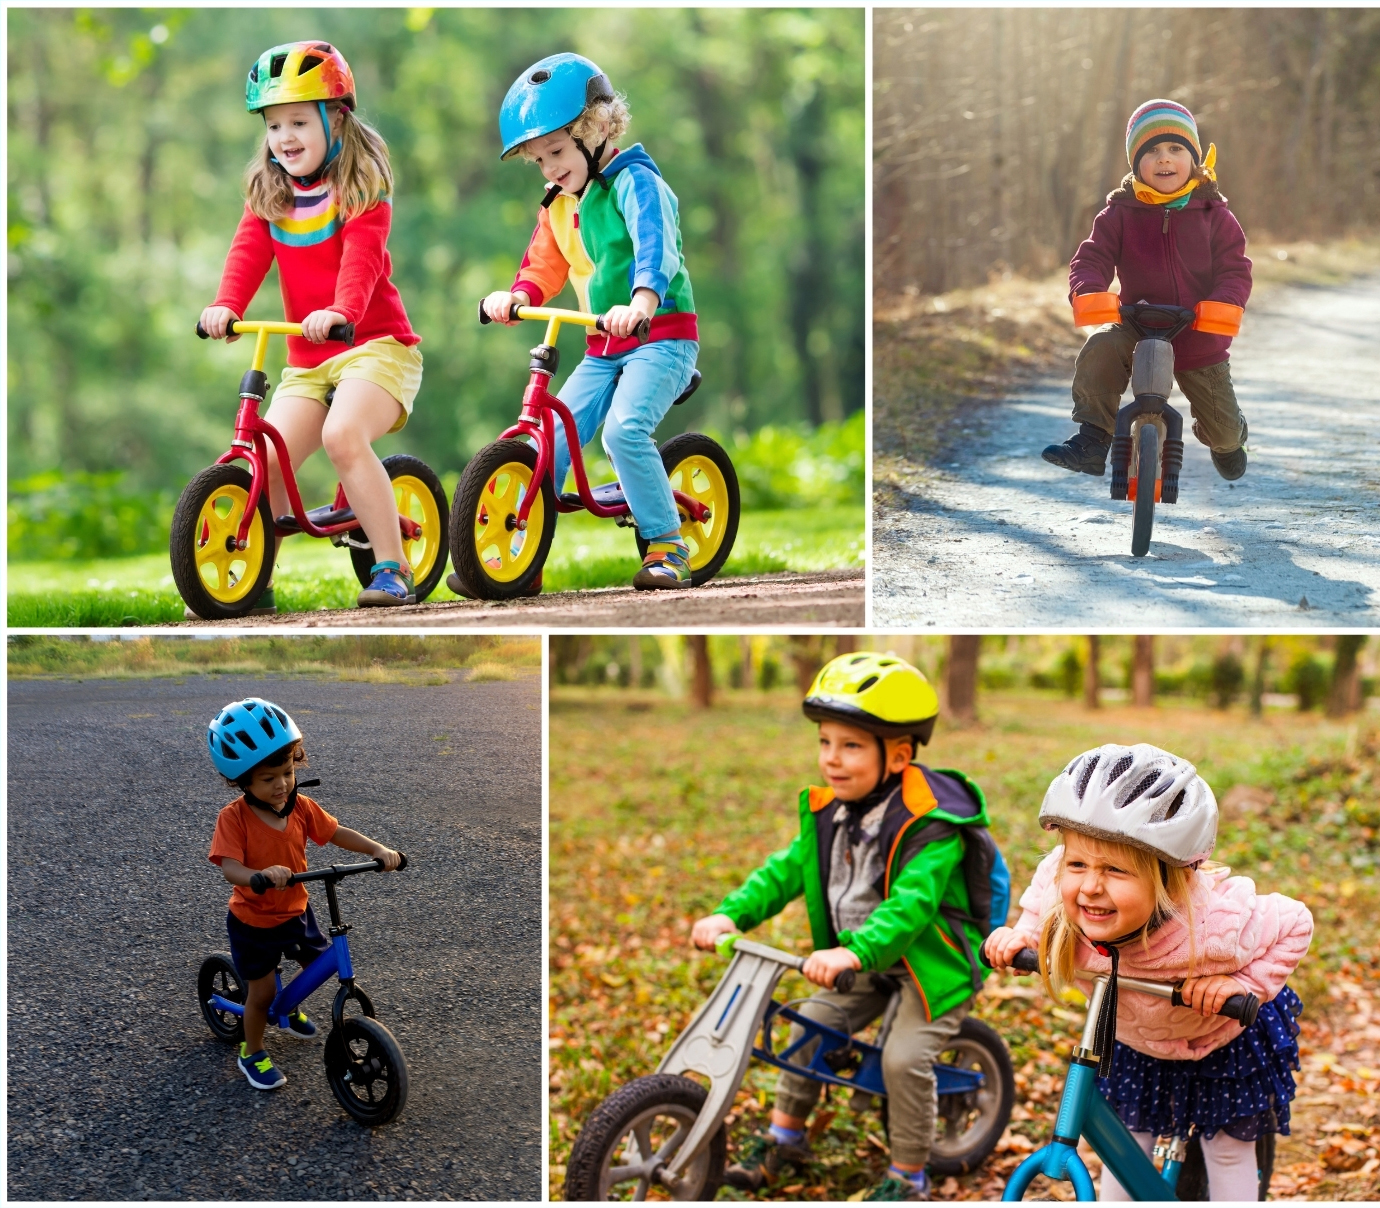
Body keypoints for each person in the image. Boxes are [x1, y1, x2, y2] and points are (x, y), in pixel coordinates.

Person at [691, 652, 1011, 1201]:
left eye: (851, 745)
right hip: (865, 962)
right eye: (825, 742)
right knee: (807, 1026)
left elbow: (909, 908)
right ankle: (785, 1139)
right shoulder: (832, 814)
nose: (832, 760)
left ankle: (908, 1176)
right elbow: (784, 872)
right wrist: (731, 913)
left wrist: (853, 952)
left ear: (898, 756)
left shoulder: (932, 827)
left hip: (931, 966)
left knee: (903, 1059)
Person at [982, 743, 1313, 1201]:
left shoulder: (1215, 926)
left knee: (1228, 1151)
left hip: (1219, 1039)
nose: (1091, 886)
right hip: (1137, 1041)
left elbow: (1296, 922)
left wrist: (1239, 985)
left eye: (1116, 870)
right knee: (1124, 1142)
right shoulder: (1061, 883)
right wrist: (1025, 933)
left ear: (1168, 880)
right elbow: (1046, 892)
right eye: (1078, 863)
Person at [199, 41, 423, 610]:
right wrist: (227, 306)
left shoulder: (360, 191)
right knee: (265, 459)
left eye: (299, 121)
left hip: (376, 347)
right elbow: (247, 254)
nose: (285, 137)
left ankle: (393, 568)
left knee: (342, 436)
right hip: (308, 358)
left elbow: (362, 260)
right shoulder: (269, 194)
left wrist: (342, 313)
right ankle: (254, 585)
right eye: (274, 125)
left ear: (336, 118)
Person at [469, 52, 700, 594]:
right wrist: (516, 295)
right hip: (603, 344)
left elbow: (656, 249)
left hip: (659, 336)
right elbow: (544, 265)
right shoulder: (558, 203)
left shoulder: (636, 183)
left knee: (624, 430)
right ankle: (523, 562)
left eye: (556, 151)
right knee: (549, 436)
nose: (549, 168)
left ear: (595, 128)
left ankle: (668, 546)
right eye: (538, 159)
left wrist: (641, 304)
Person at [1044, 99, 1254, 482]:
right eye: (1152, 151)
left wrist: (1224, 303)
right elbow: (1091, 259)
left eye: (1175, 149)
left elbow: (1234, 268)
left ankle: (1228, 436)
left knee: (1222, 433)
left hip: (1198, 333)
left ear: (1193, 158)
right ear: (1135, 163)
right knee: (1102, 345)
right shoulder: (1119, 214)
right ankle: (1093, 438)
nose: (1164, 159)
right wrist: (1088, 290)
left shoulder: (1214, 215)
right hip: (1135, 323)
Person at [206, 697, 403, 1091]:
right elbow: (229, 866)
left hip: (296, 911)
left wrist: (378, 851)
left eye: (287, 772)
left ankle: (289, 1005)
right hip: (254, 922)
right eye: (268, 779)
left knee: (318, 965)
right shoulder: (234, 818)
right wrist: (258, 875)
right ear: (242, 780)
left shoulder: (301, 807)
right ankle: (253, 1052)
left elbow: (336, 833)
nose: (281, 784)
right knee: (260, 995)